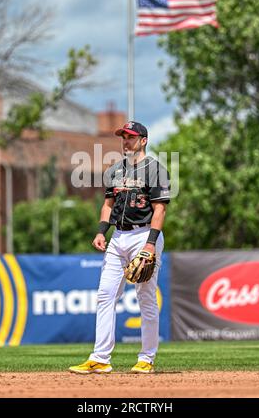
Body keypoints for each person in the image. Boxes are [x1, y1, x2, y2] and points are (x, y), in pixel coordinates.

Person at [69, 121, 171, 374]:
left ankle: (146, 358)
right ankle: (100, 358)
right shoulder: (115, 170)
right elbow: (108, 205)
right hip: (118, 237)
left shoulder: (155, 169)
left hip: (144, 234)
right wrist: (101, 231)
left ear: (143, 140)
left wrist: (150, 244)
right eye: (123, 137)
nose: (126, 141)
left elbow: (160, 209)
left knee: (145, 297)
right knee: (105, 295)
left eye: (131, 137)